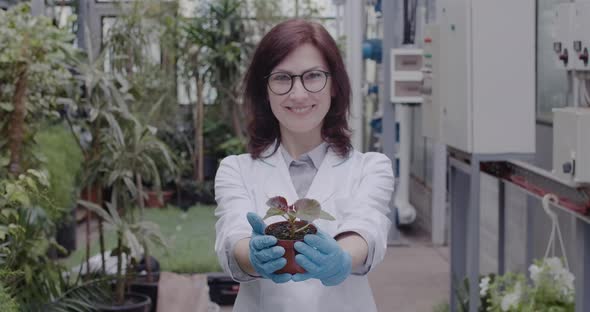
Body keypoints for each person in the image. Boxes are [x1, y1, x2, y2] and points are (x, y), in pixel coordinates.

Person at [214, 19, 394, 312]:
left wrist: (342, 258)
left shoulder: (371, 168)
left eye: (312, 76)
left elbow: (366, 226)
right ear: (265, 90)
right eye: (282, 78)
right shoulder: (235, 169)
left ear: (334, 84)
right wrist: (254, 256)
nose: (298, 94)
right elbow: (234, 236)